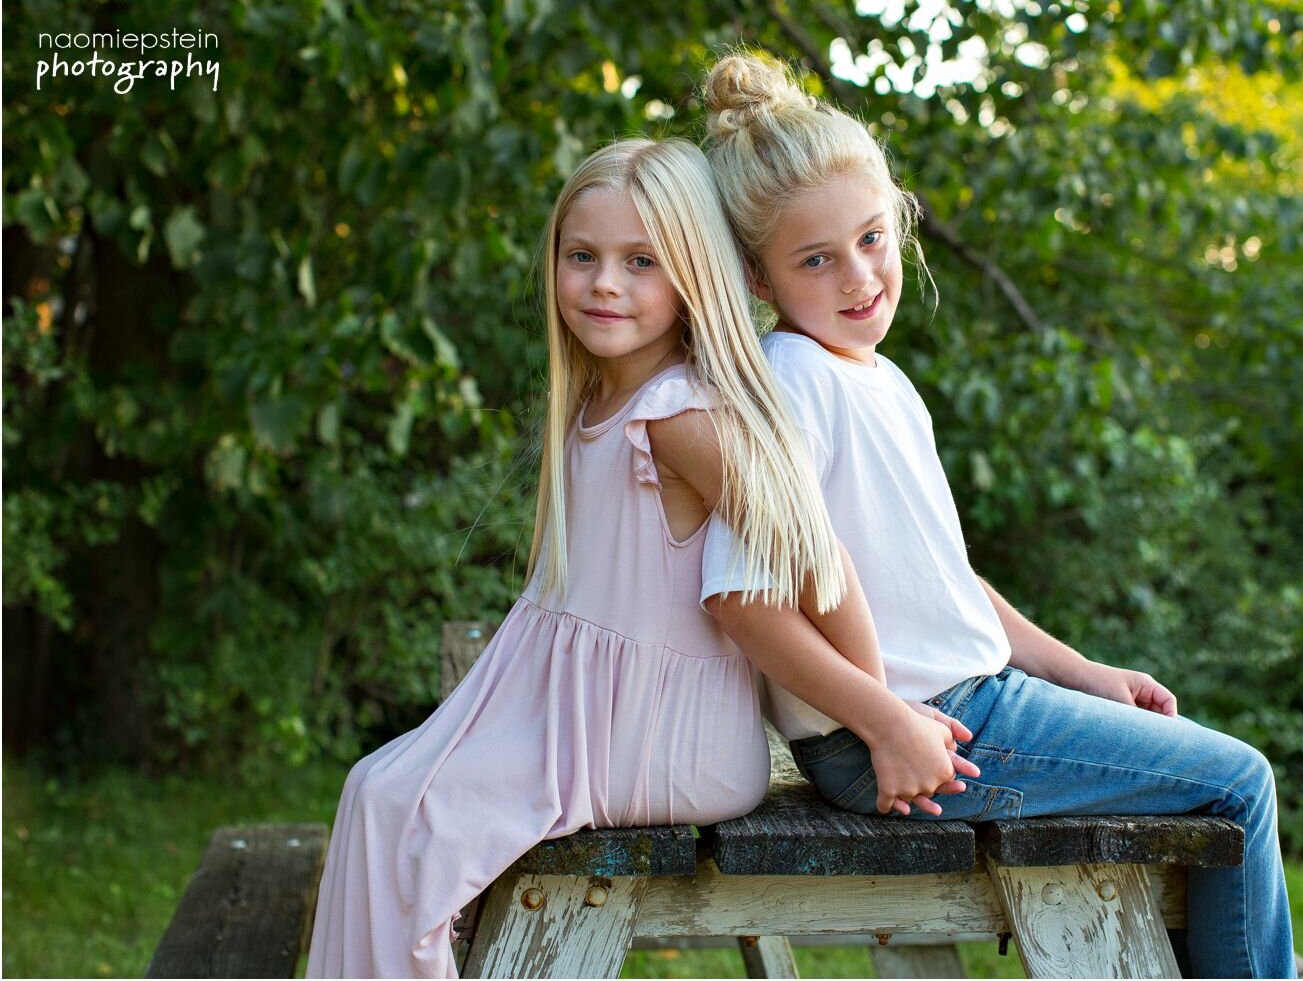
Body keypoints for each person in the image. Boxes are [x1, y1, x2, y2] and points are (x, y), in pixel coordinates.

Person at [304, 136, 971, 978]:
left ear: (693, 273)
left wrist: (881, 716)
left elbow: (816, 555)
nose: (604, 283)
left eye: (641, 261)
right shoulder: (595, 399)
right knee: (374, 790)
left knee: (412, 810)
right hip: (583, 714)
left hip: (665, 736)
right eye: (582, 256)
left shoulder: (680, 415)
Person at [697, 51, 1297, 980]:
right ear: (760, 277)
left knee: (1204, 791)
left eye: (871, 238)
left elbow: (946, 584)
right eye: (817, 259)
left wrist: (1082, 670)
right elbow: (744, 604)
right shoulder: (792, 382)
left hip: (960, 708)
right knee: (1235, 784)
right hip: (911, 731)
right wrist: (888, 721)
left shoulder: (878, 380)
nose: (859, 276)